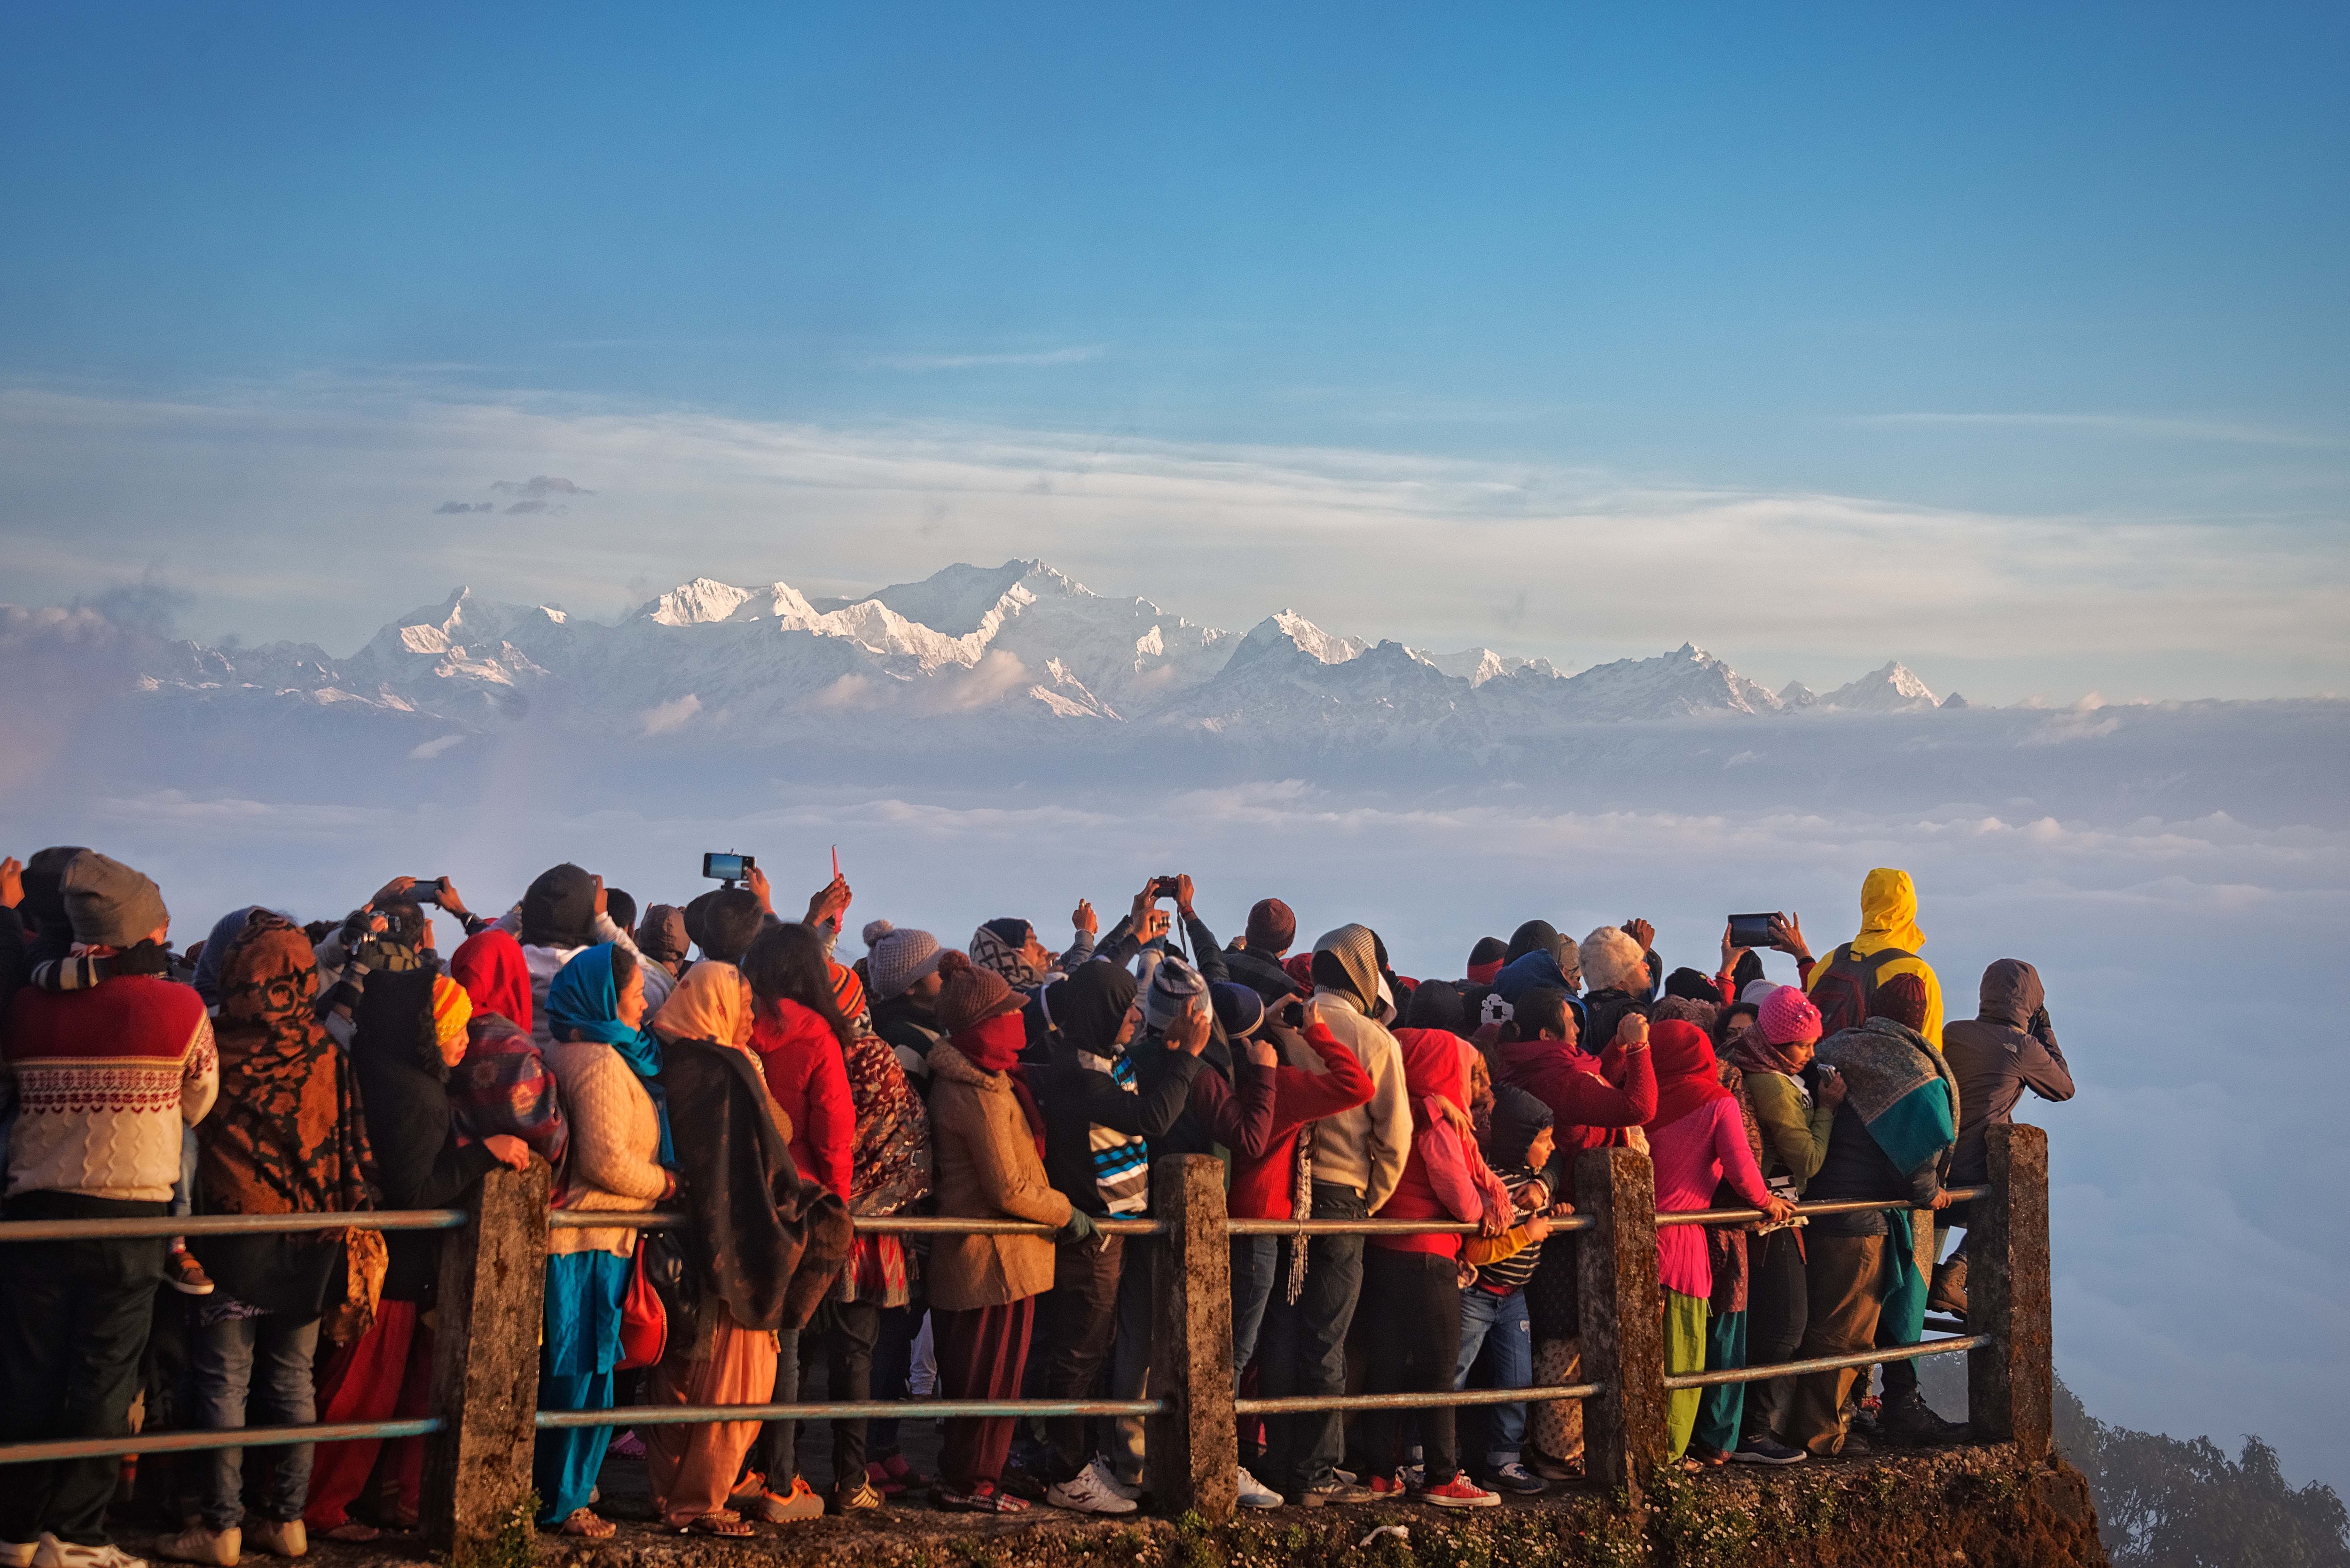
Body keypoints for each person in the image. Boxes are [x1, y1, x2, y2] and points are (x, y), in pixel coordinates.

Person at [1, 853, 216, 1568]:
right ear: (139, 932)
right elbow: (198, 1100)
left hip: (35, 1206)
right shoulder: (179, 1007)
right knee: (103, 1374)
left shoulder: (28, 1004)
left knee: (29, 1371)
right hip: (131, 1210)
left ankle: (17, 1530)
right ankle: (80, 1536)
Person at [164, 910, 384, 1568]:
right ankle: (286, 1521)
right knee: (292, 1384)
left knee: (223, 1387)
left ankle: (220, 1526)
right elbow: (352, 1147)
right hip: (311, 1245)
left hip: (231, 1248)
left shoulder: (214, 1048)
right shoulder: (323, 1048)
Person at [308, 970, 529, 1541]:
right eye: (451, 1032)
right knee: (360, 1392)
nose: (463, 1043)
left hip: (375, 1265)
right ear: (424, 1035)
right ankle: (321, 1506)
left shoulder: (382, 1066)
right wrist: (484, 1152)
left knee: (364, 1391)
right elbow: (415, 1192)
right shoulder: (414, 1092)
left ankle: (345, 1501)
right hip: (392, 1271)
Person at [648, 953, 852, 1535]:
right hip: (736, 1240)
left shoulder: (669, 1058)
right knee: (737, 1379)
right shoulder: (728, 1069)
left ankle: (669, 1495)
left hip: (682, 1244)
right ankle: (701, 1502)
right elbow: (771, 1145)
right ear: (715, 1006)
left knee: (679, 1377)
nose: (748, 1019)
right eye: (740, 1007)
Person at [1254, 923, 1411, 1507]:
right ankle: (1314, 1469)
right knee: (1327, 1335)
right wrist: (1371, 1198)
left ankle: (1276, 1459)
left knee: (1280, 1327)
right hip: (1344, 1194)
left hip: (1283, 1192)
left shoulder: (1283, 1019)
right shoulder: (1374, 1039)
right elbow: (1394, 1138)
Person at [1030, 962, 1194, 1515]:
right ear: (1100, 1013)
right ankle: (1065, 1474)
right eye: (1124, 1007)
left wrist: (1168, 1050)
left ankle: (1077, 1460)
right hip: (1093, 1232)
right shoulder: (1079, 1071)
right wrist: (1189, 1061)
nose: (1134, 1016)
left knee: (1093, 1348)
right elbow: (1151, 1116)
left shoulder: (1103, 1056)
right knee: (1078, 1351)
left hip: (1114, 1226)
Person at [924, 952, 1080, 1513]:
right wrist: (1066, 1213)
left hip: (1001, 1258)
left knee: (995, 1378)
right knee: (985, 1378)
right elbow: (1008, 1189)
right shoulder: (975, 1091)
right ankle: (971, 1480)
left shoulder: (992, 1077)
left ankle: (978, 1473)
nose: (1020, 1018)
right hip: (988, 1261)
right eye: (1008, 1010)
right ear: (983, 1025)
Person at [535, 944, 676, 1538]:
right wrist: (666, 1183)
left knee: (587, 1373)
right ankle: (562, 1503)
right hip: (584, 1244)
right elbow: (605, 1162)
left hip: (600, 1239)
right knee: (579, 1374)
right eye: (634, 992)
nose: (643, 1003)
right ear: (604, 997)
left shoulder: (595, 1049)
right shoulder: (592, 1060)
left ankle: (563, 1495)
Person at [1787, 975, 1960, 1456]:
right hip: (1861, 1223)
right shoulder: (1913, 1068)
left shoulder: (1836, 1046)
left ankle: (1819, 1426)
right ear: (1920, 1018)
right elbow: (1923, 1165)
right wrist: (1935, 1195)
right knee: (1843, 1338)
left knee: (1816, 1328)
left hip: (1813, 1209)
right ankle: (1821, 1441)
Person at [1493, 984, 1656, 1478]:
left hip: (1555, 1212)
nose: (1578, 1028)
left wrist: (1618, 1049)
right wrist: (1641, 1049)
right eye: (1570, 1021)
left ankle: (1547, 1448)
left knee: (1557, 1333)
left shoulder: (1535, 1065)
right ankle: (1557, 1453)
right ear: (1548, 1033)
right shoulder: (1557, 1077)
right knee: (1564, 1337)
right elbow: (1636, 1108)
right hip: (1567, 1223)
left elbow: (1593, 1077)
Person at [1222, 985, 1373, 1509]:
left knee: (1250, 1346)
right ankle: (1224, 1460)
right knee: (1239, 1349)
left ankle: (1236, 1454)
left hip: (1237, 1216)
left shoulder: (1224, 1071)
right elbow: (1357, 1086)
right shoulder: (1281, 1083)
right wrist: (1316, 1032)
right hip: (1261, 1223)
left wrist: (1260, 1024)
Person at [1356, 1022, 1509, 1508]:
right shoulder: (1441, 1125)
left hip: (1384, 1250)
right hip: (1428, 1254)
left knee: (1382, 1366)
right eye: (1467, 1072)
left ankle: (1379, 1472)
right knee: (1437, 1369)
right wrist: (1483, 1208)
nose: (1472, 1084)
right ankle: (1443, 1476)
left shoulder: (1398, 1113)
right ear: (1443, 1069)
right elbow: (1462, 1202)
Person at [736, 922, 857, 1521]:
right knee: (786, 1339)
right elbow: (834, 1135)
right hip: (800, 1200)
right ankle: (778, 1477)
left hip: (737, 1194)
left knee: (736, 1334)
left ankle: (730, 1468)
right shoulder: (817, 1038)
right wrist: (836, 1206)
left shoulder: (732, 1026)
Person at [1643, 1020, 1788, 1465]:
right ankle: (1668, 1454)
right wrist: (1769, 1203)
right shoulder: (1718, 1100)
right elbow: (1742, 1169)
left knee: (1645, 1355)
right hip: (1685, 1242)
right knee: (1684, 1353)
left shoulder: (1642, 1099)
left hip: (1639, 1238)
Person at [817, 962, 931, 1510]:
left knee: (800, 1349)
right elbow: (905, 1132)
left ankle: (779, 1471)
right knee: (859, 1351)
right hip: (870, 1229)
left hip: (814, 1217)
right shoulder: (877, 1057)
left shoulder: (809, 1050)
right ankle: (850, 1475)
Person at [1726, 985, 1839, 1464]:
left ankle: (1750, 1427)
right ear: (1774, 1041)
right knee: (1786, 1323)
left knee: (1773, 1322)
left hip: (1773, 1214)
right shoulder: (1770, 1083)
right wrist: (1828, 1108)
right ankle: (1754, 1432)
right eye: (1801, 1045)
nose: (1809, 1054)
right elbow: (1807, 1159)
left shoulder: (1759, 1064)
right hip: (1773, 1217)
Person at [1936, 960, 2074, 1317]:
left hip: (1933, 1170)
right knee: (2015, 1198)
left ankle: (1926, 1288)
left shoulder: (1952, 1032)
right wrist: (2043, 1026)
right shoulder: (2023, 1046)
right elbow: (2063, 1087)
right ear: (2030, 1001)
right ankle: (1956, 1271)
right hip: (1974, 1177)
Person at [1458, 1084, 1560, 1495]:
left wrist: (1552, 1200)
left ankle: (1505, 1459)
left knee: (1516, 1379)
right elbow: (1477, 1250)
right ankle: (1421, 1453)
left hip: (1514, 1294)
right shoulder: (1491, 1180)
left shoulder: (1533, 1180)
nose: (1551, 1147)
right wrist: (1527, 1234)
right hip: (1478, 1292)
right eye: (1543, 1139)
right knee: (1453, 1373)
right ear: (1520, 1140)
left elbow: (1558, 1167)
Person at [445, 929, 569, 1171]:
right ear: (514, 976)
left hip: (449, 1173)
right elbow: (551, 1141)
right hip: (506, 1182)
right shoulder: (512, 1047)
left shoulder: (443, 1030)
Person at [1805, 868, 1946, 1047]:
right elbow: (1930, 1049)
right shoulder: (1917, 973)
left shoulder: (1830, 961)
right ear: (1910, 907)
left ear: (1865, 902)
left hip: (1825, 1070)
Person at [863, 921, 946, 1087]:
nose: (945, 970)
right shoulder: (901, 1042)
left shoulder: (930, 1024)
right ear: (910, 987)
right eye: (935, 966)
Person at [1222, 897, 1308, 1004]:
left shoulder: (1219, 963)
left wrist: (1232, 949)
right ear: (1286, 944)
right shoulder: (1288, 989)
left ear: (1248, 933)